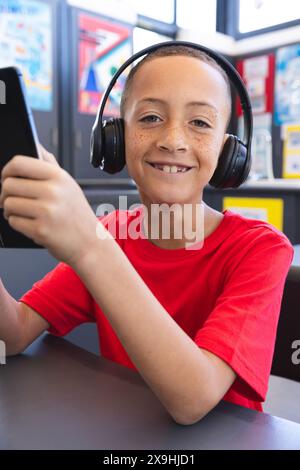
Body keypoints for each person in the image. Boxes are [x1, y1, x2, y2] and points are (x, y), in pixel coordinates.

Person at [0, 44, 293, 426]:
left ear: (228, 152)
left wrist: (89, 246)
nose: (173, 139)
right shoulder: (111, 234)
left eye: (200, 123)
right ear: (115, 139)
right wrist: (96, 241)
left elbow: (193, 400)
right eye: (151, 117)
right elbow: (14, 333)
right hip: (122, 434)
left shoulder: (260, 249)